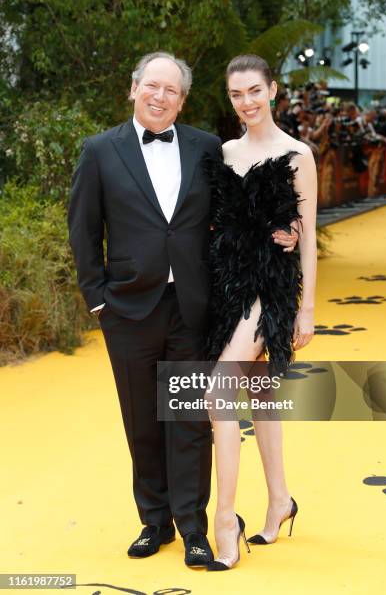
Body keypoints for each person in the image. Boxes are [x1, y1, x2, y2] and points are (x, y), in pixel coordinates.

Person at [68, 50, 300, 568]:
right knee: (141, 421)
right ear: (134, 88)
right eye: (153, 86)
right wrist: (97, 299)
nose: (160, 97)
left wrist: (288, 231)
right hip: (127, 308)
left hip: (194, 306)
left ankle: (194, 527)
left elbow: (239, 212)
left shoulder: (204, 148)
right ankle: (154, 522)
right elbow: (83, 231)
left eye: (172, 91)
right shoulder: (99, 151)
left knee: (190, 418)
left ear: (183, 101)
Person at [204, 54, 317, 571]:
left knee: (218, 389)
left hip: (269, 287)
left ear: (272, 90)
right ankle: (280, 500)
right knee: (260, 391)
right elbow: (219, 221)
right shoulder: (225, 151)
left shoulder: (298, 154)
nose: (246, 103)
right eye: (236, 95)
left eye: (254, 91)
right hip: (228, 286)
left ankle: (224, 520)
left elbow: (308, 239)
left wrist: (307, 308)